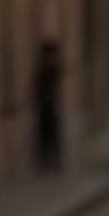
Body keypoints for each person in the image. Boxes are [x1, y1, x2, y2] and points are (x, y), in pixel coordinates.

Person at [33, 36, 62, 173]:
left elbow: (48, 88)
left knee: (50, 136)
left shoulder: (50, 68)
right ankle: (48, 162)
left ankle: (52, 163)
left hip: (49, 107)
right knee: (47, 136)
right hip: (47, 107)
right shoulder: (48, 67)